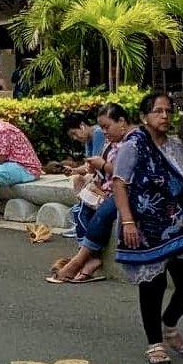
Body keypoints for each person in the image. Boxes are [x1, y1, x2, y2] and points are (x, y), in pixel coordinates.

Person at [109, 90, 183, 364]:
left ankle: (170, 322)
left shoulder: (175, 145)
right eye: (158, 111)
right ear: (144, 116)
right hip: (145, 224)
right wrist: (127, 220)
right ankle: (155, 343)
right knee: (153, 281)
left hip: (180, 224)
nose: (164, 116)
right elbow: (120, 182)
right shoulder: (134, 145)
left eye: (168, 111)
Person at [47, 102, 131, 283]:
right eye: (103, 127)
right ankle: (87, 257)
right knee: (83, 208)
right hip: (109, 186)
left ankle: (80, 261)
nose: (105, 131)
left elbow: (123, 171)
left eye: (107, 126)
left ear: (122, 121)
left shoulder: (132, 141)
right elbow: (97, 168)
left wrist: (101, 168)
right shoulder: (112, 141)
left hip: (123, 190)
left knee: (102, 210)